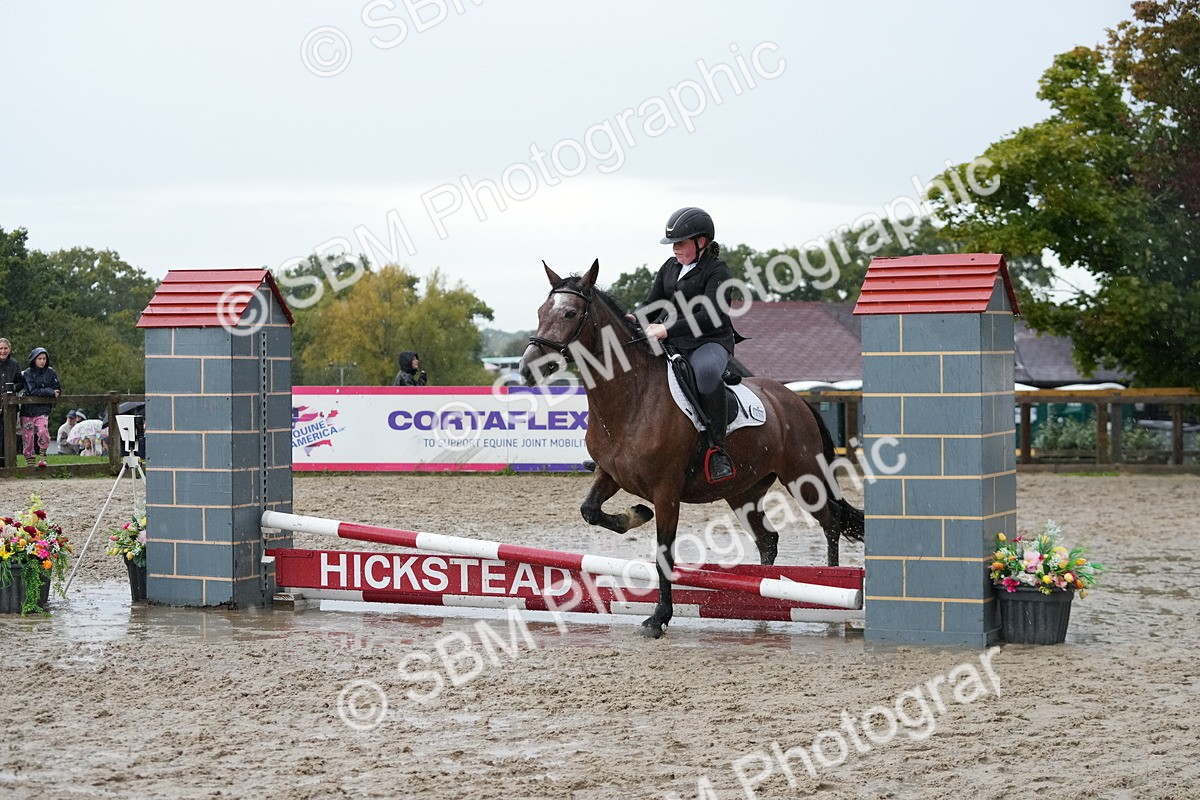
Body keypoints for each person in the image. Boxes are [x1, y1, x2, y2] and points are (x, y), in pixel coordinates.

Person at [634, 207, 740, 484]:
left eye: (680, 243)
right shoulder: (670, 268)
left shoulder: (718, 271)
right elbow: (653, 304)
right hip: (675, 340)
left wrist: (666, 329)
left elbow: (710, 316)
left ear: (701, 242)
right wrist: (631, 318)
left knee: (704, 376)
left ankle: (718, 449)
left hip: (710, 341)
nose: (675, 250)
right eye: (673, 245)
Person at [20, 347, 61, 468]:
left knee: (43, 431)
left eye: (44, 358)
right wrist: (49, 391)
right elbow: (32, 390)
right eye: (39, 358)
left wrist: (52, 392)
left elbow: (58, 388)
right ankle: (30, 463)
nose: (42, 361)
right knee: (27, 437)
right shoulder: (26, 373)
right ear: (34, 359)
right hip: (27, 409)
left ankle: (43, 456)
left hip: (43, 409)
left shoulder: (51, 372)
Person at [0, 338, 23, 465]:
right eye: (1, 348)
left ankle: (9, 462)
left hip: (10, 405)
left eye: (5, 348)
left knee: (9, 434)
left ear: (10, 349)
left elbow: (21, 382)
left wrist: (13, 388)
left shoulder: (14, 364)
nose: (3, 351)